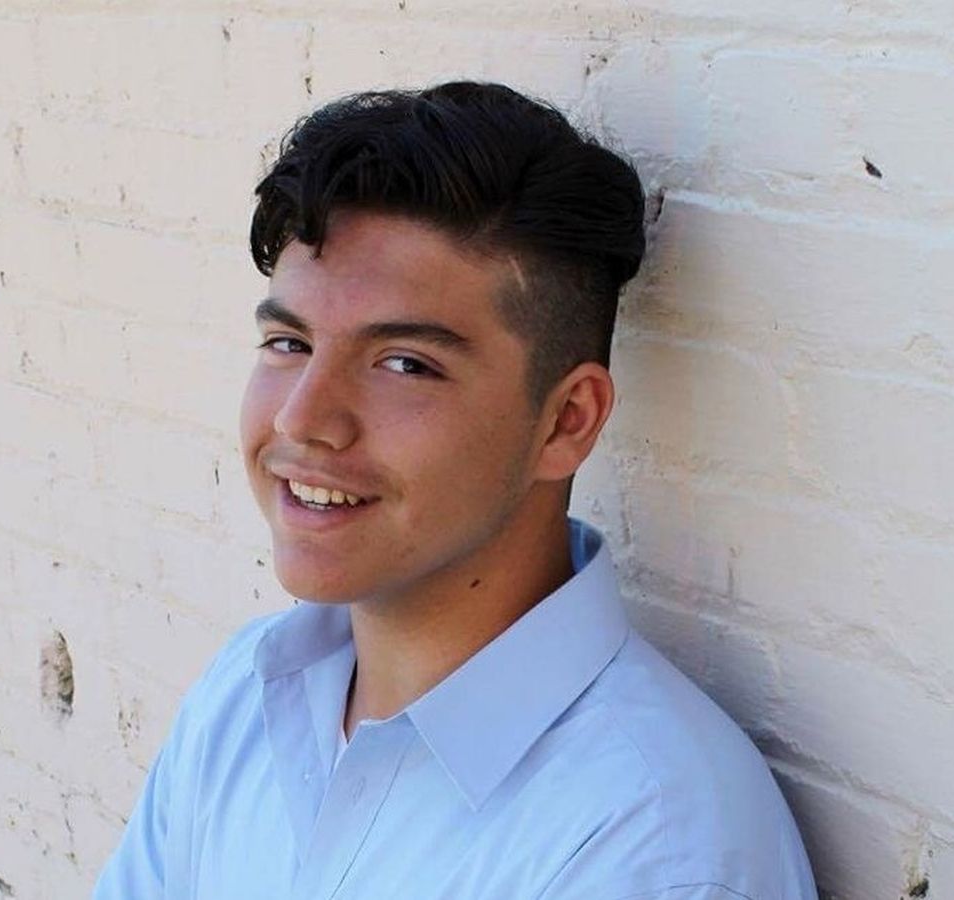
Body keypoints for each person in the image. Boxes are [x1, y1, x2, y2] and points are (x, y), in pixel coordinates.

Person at [94, 81, 817, 900]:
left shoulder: (654, 847)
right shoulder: (247, 695)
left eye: (405, 363)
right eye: (289, 343)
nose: (302, 420)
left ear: (566, 421)